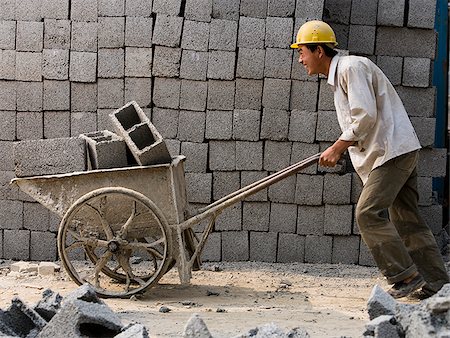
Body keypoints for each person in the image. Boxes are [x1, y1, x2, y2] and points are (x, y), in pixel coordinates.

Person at [290, 20, 449, 298]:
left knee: (367, 212)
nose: (300, 58)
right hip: (392, 151)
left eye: (302, 51)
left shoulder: (351, 68)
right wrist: (341, 147)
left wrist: (337, 147)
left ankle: (405, 275)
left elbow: (366, 116)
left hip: (391, 152)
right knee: (408, 219)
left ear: (319, 51)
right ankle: (439, 285)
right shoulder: (341, 76)